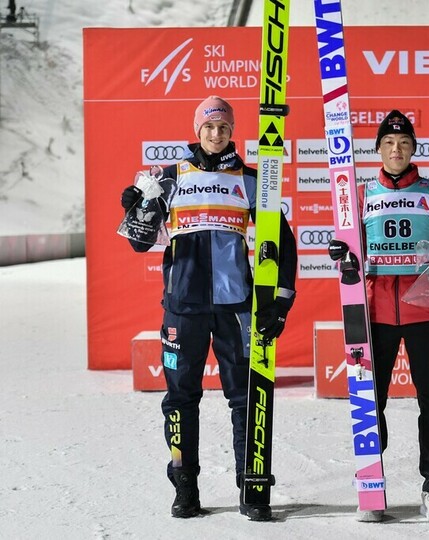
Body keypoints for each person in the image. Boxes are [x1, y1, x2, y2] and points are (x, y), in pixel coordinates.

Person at [119, 96, 297, 521]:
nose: (216, 134)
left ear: (232, 131)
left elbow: (284, 243)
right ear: (197, 130)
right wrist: (137, 206)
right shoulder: (169, 178)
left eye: (223, 127)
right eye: (209, 127)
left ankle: (252, 486)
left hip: (236, 306)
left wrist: (281, 301)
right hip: (183, 307)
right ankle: (185, 487)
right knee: (181, 398)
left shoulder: (251, 180)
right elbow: (139, 242)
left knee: (246, 398)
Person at [329, 110, 429, 522]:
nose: (396, 150)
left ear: (413, 149)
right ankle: (371, 487)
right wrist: (339, 252)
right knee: (371, 402)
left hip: (423, 312)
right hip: (374, 314)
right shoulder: (360, 195)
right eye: (388, 144)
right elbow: (347, 248)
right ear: (378, 150)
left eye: (404, 143)